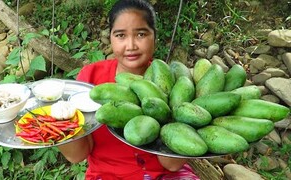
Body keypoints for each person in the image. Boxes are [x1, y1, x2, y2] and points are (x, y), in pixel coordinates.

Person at [58, 0, 199, 179]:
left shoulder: (174, 84)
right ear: (110, 38)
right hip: (107, 175)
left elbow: (171, 165)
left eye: (141, 34)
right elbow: (76, 155)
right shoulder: (91, 78)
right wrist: (58, 120)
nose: (131, 45)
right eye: (120, 35)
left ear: (154, 37)